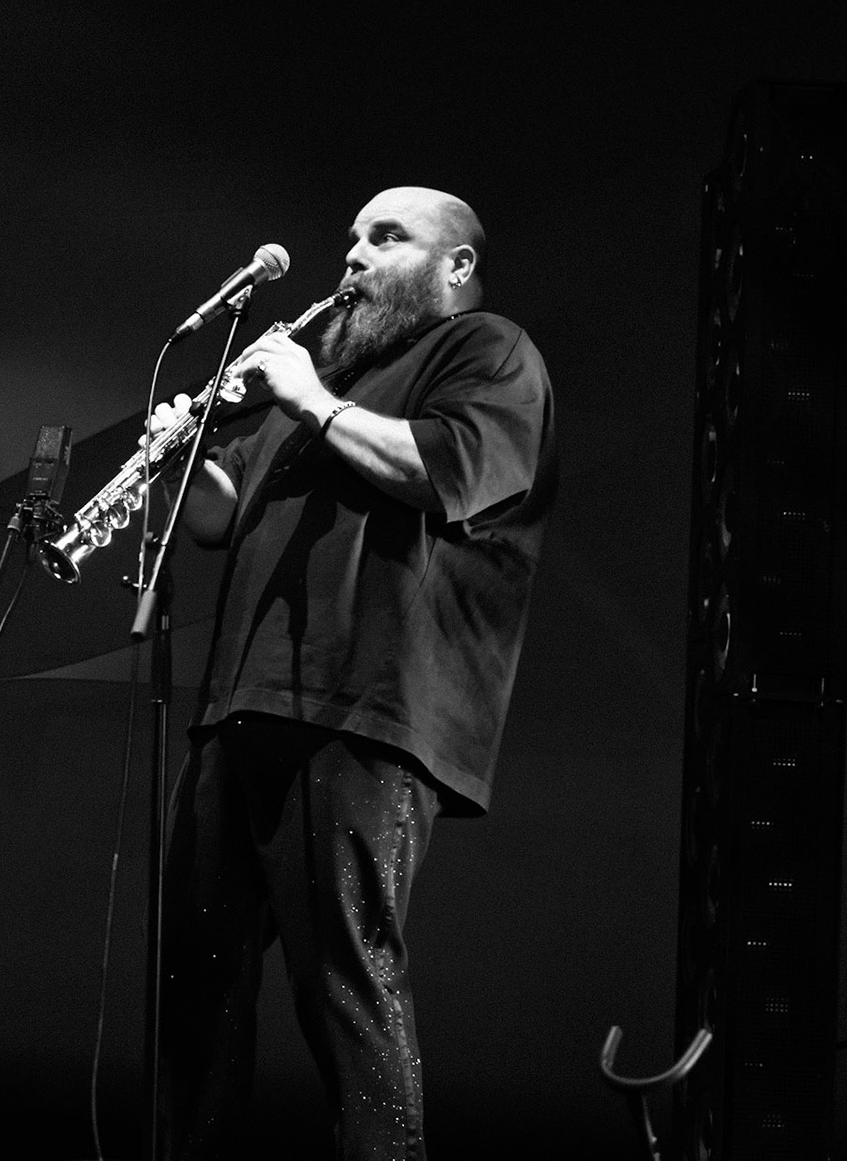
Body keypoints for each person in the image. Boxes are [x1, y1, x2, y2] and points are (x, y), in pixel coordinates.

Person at [157, 187, 555, 1160]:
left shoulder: (487, 350)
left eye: (387, 237)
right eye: (353, 238)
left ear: (456, 264)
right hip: (241, 704)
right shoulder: (332, 377)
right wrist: (183, 456)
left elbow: (446, 471)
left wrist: (312, 400)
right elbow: (216, 518)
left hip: (363, 710)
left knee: (343, 983)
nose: (354, 255)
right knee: (194, 987)